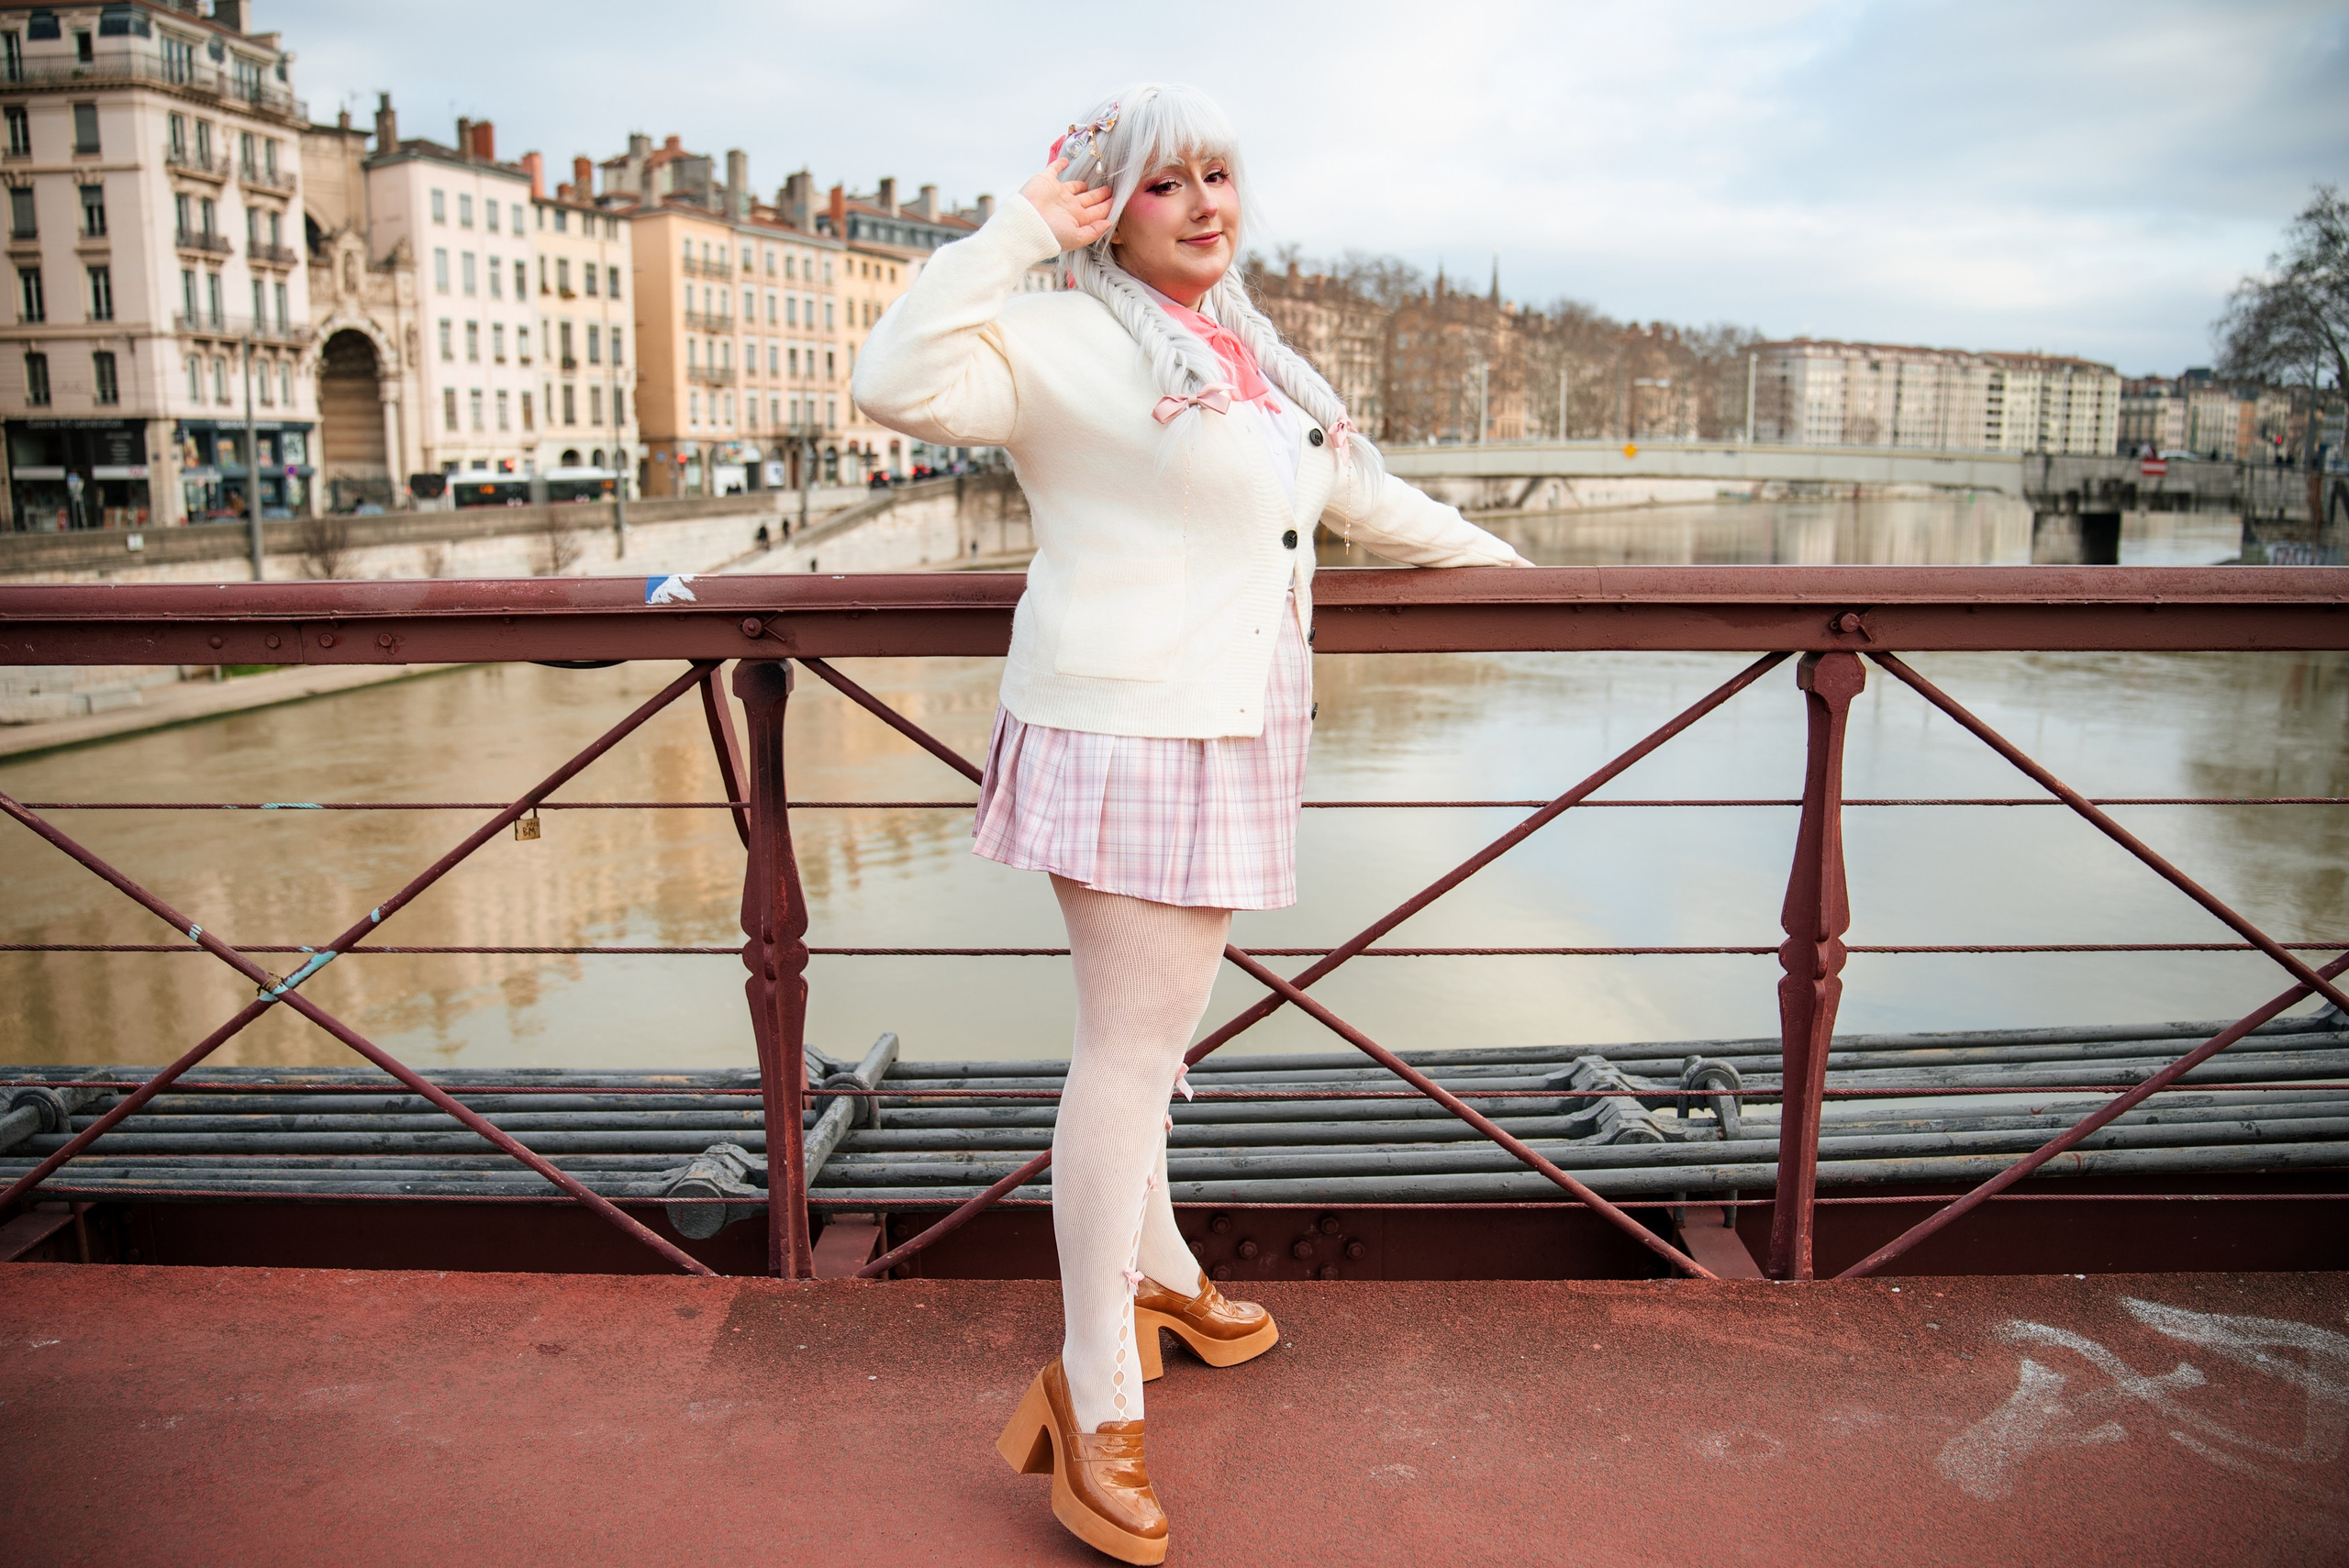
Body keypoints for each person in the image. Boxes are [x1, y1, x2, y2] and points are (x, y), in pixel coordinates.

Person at [853, 82, 1529, 1565]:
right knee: (1131, 1053)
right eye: (1170, 183)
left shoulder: (1248, 351)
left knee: (1157, 1046)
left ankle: (1158, 1278)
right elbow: (894, 380)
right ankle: (1092, 1400)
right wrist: (1019, 228)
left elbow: (1361, 499)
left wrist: (1525, 575)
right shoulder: (1054, 331)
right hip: (1123, 724)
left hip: (1229, 720)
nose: (1210, 203)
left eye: (1223, 173)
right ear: (1108, 202)